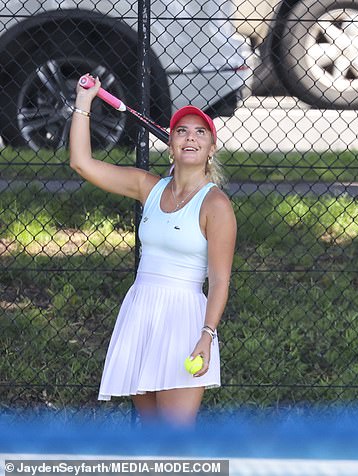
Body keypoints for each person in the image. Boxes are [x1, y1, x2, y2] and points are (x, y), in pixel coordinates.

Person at [69, 76, 237, 426]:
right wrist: (84, 101)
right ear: (172, 145)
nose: (190, 136)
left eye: (200, 132)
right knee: (150, 437)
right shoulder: (148, 187)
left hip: (185, 320)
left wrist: (206, 336)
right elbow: (82, 163)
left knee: (174, 440)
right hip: (142, 311)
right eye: (181, 131)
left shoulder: (216, 205)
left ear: (210, 149)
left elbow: (220, 280)